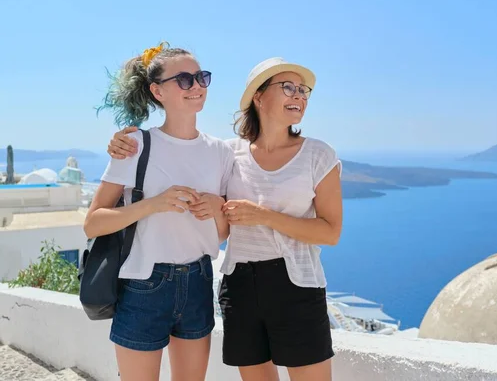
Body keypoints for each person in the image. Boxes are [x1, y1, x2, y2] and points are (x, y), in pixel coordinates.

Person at [107, 57, 343, 381]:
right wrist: (123, 142)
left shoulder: (318, 155)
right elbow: (214, 216)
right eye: (288, 87)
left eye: (304, 90)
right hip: (239, 285)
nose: (299, 95)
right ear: (258, 97)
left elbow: (330, 233)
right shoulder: (230, 153)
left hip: (296, 285)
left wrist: (265, 216)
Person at [85, 42, 234, 381]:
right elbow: (93, 223)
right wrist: (153, 204)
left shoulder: (221, 152)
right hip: (143, 285)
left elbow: (222, 234)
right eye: (184, 79)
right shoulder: (135, 144)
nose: (196, 86)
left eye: (201, 78)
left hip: (198, 282)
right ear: (157, 90)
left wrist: (216, 208)